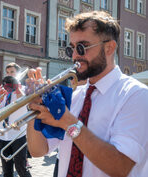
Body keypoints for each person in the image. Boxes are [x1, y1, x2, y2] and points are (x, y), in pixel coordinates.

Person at [26, 11, 148, 177]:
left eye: (82, 47)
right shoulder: (75, 96)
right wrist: (34, 108)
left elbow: (120, 167)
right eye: (72, 49)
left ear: (109, 47)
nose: (75, 56)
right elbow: (38, 150)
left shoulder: (137, 95)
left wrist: (69, 123)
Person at [0, 62, 32, 177]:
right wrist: (0, 98)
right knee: (6, 171)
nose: (9, 74)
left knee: (21, 168)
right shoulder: (3, 91)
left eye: (12, 72)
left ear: (18, 74)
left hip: (18, 135)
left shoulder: (24, 89)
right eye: (8, 72)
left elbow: (24, 102)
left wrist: (17, 88)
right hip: (4, 135)